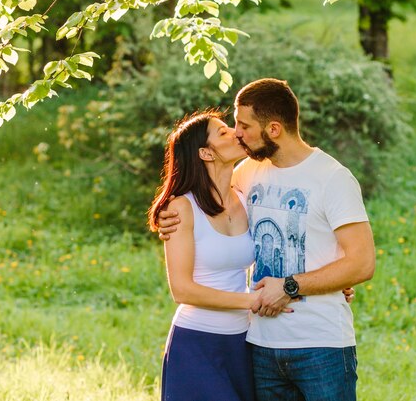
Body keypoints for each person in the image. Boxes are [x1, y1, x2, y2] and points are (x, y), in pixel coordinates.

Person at [158, 78, 376, 401]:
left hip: (318, 346)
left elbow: (360, 262)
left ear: (273, 129)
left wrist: (305, 281)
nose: (237, 133)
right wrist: (167, 214)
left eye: (242, 125)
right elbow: (198, 187)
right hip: (257, 344)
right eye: (231, 127)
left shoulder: (330, 178)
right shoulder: (247, 174)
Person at [147, 110, 272, 401]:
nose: (235, 133)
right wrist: (251, 301)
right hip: (196, 344)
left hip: (243, 342)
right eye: (223, 132)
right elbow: (182, 289)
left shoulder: (246, 196)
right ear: (205, 153)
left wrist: (328, 281)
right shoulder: (181, 208)